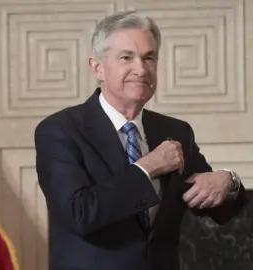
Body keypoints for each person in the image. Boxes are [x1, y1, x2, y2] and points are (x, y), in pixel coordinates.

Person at [34, 10, 248, 270]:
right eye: (127, 57)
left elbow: (219, 210)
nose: (141, 69)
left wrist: (228, 180)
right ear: (97, 67)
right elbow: (80, 214)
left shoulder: (176, 131)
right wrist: (148, 168)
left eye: (149, 58)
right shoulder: (59, 131)